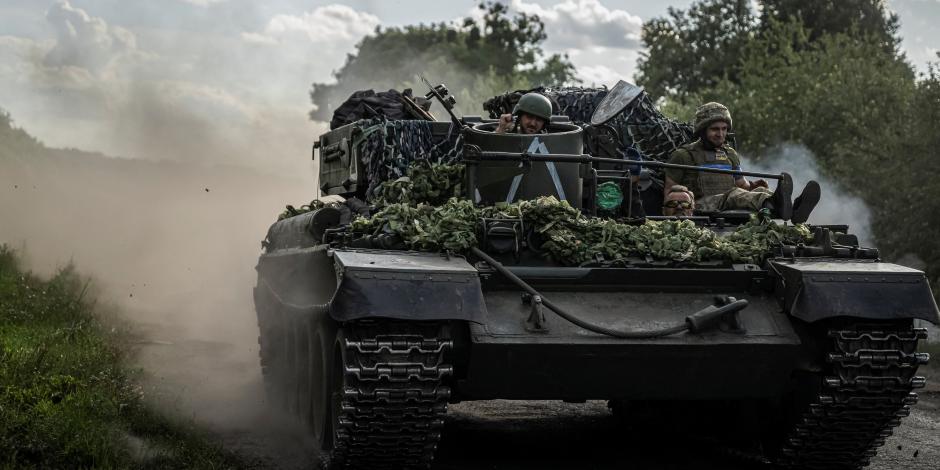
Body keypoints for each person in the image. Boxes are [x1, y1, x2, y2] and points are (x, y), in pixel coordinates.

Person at [664, 102, 820, 223]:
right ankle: (775, 203)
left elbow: (742, 186)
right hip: (698, 206)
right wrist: (675, 213)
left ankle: (794, 209)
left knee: (760, 192)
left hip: (727, 202)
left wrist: (753, 186)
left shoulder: (729, 153)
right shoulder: (683, 156)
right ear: (702, 130)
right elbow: (669, 194)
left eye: (724, 129)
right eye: (715, 129)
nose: (721, 134)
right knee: (734, 195)